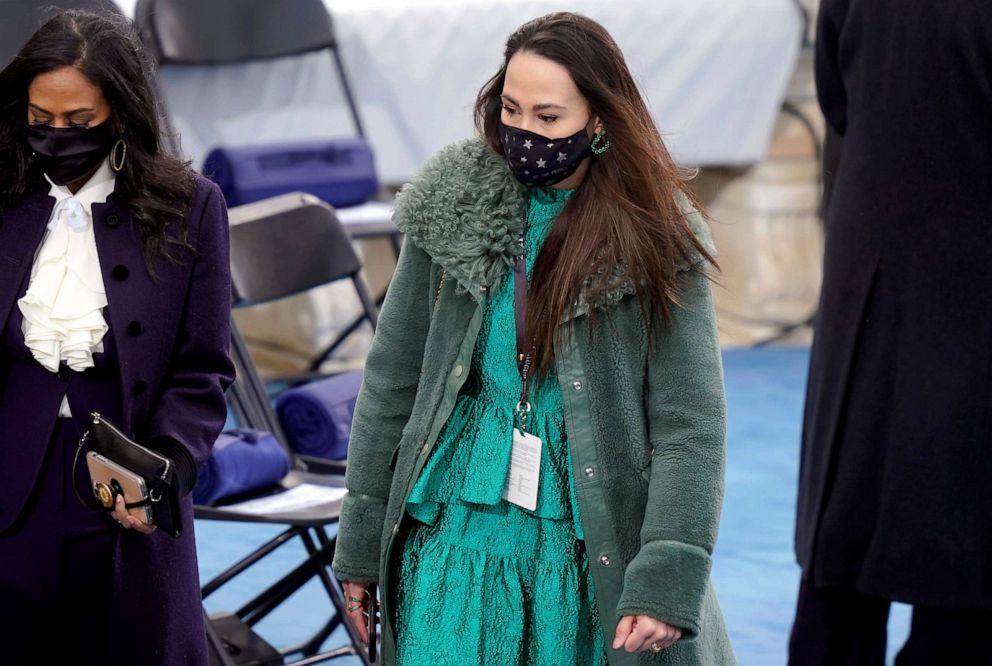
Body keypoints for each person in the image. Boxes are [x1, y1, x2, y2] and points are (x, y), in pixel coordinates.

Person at [332, 12, 734, 666]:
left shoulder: (657, 233)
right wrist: (360, 540)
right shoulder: (453, 201)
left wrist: (667, 575)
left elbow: (690, 423)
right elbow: (392, 382)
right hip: (453, 527)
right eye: (510, 109)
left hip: (585, 541)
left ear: (599, 120)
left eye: (548, 118)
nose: (523, 133)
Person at [0, 10, 235, 665]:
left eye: (78, 123)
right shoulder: (3, 192)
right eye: (40, 119)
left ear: (122, 113)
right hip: (12, 481)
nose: (55, 136)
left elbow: (204, 368)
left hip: (128, 485)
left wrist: (163, 470)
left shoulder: (192, 205)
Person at [790, 1, 992, 664]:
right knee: (964, 558)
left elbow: (837, 100)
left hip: (871, 257)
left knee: (845, 535)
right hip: (970, 270)